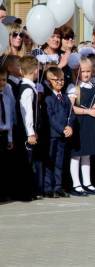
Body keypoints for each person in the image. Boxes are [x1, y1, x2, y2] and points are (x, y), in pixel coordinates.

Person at [67, 57, 95, 196]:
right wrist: (88, 111)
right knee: (77, 154)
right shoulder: (74, 87)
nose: (86, 74)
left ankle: (87, 182)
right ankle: (76, 184)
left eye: (88, 71)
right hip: (79, 123)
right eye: (83, 71)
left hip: (91, 124)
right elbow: (71, 108)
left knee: (87, 154)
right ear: (77, 72)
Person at [43, 67, 74, 198]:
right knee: (50, 161)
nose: (60, 82)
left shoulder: (66, 98)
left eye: (62, 80)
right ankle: (48, 187)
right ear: (49, 81)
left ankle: (58, 186)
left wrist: (69, 126)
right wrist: (62, 129)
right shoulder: (48, 98)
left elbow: (71, 114)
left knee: (60, 162)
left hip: (63, 136)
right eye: (56, 80)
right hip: (52, 135)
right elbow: (51, 118)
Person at [16, 55, 43, 200]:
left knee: (30, 161)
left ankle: (30, 190)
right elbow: (27, 113)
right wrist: (31, 133)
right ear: (36, 71)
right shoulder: (27, 90)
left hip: (28, 132)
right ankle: (26, 192)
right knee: (27, 162)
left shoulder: (28, 87)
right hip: (26, 133)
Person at [0, 68, 15, 201]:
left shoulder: (6, 96)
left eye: (4, 80)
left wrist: (10, 138)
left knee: (4, 165)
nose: (2, 82)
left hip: (4, 134)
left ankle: (4, 192)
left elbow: (9, 118)